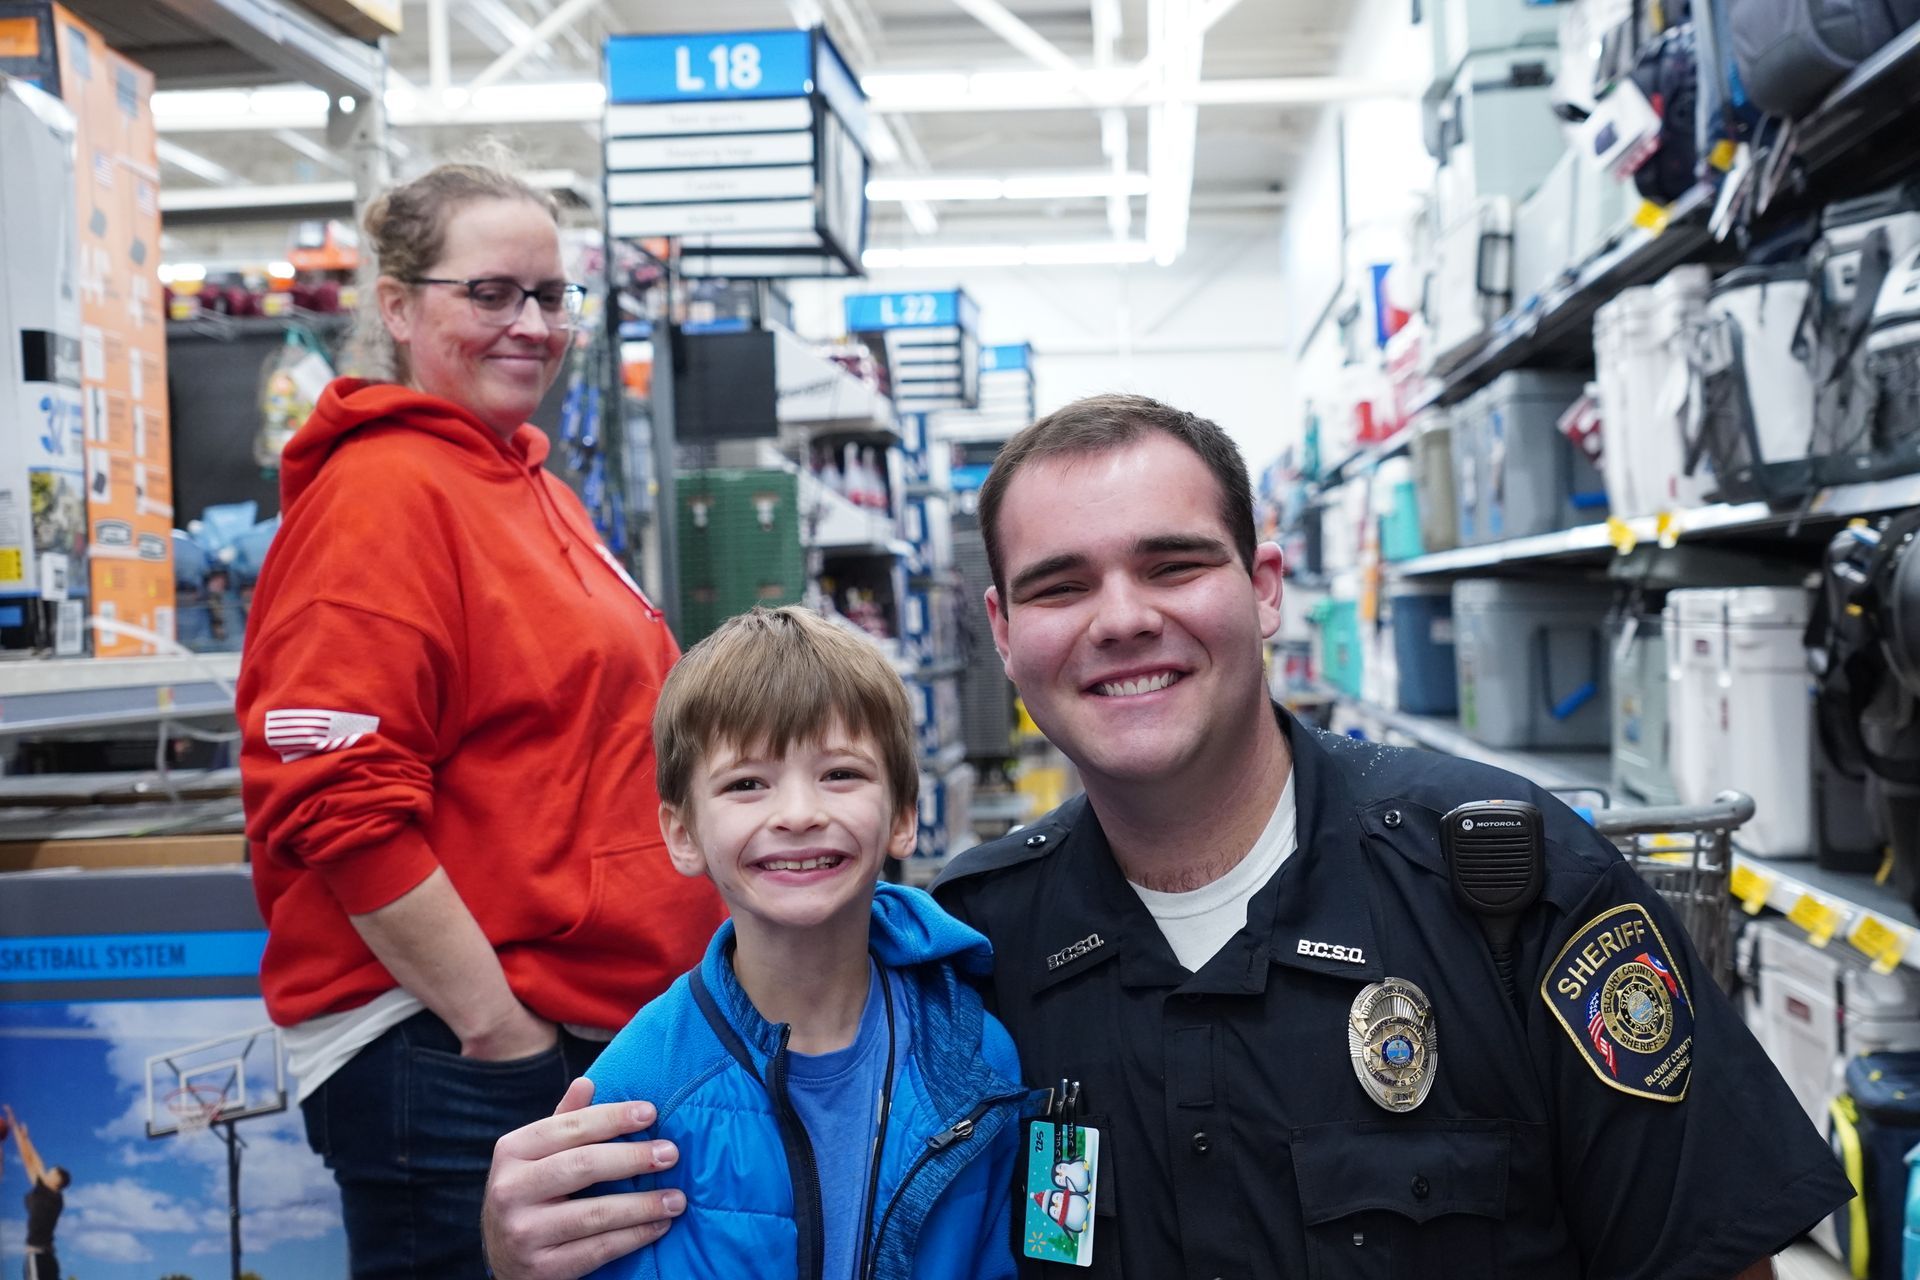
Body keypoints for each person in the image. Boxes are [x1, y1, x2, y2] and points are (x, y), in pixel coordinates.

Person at [481, 394, 1851, 1280]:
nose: (1123, 618)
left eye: (1173, 564)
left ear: (1263, 590)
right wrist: (532, 1230)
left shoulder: (1506, 880)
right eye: (1064, 586)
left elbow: (1709, 1259)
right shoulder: (969, 959)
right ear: (1007, 640)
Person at [237, 158, 725, 1279]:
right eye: (491, 293)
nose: (532, 325)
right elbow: (336, 799)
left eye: (552, 296)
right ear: (399, 307)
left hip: (556, 1034)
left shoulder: (527, 485)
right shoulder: (382, 495)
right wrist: (499, 1033)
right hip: (457, 1058)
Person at [581, 606, 1027, 1280]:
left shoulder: (975, 1056)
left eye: (840, 774)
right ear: (682, 833)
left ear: (903, 816)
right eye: (746, 784)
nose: (798, 814)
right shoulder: (634, 1090)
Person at [6, 1106, 69, 1280]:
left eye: (52, 1172)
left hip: (38, 1256)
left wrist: (18, 1133)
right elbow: (33, 1161)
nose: (47, 1172)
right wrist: (23, 1137)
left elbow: (30, 1161)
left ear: (57, 1181)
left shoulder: (50, 1195)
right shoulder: (51, 1196)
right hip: (47, 1257)